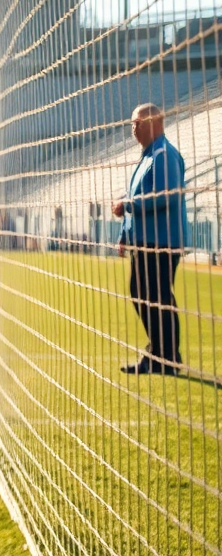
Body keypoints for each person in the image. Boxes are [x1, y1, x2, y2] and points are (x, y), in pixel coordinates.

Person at [113, 103, 187, 376]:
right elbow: (136, 199)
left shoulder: (164, 155)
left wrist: (128, 204)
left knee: (157, 297)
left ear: (155, 123)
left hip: (162, 242)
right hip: (146, 241)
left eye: (138, 123)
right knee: (143, 295)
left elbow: (164, 195)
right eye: (132, 124)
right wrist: (124, 235)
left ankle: (167, 358)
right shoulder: (148, 156)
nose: (133, 129)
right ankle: (159, 354)